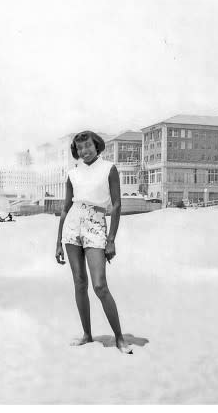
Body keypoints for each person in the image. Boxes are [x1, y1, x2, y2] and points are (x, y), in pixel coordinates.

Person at [55, 130, 132, 354]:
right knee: (79, 282)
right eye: (80, 148)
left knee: (100, 285)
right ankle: (87, 335)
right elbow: (65, 208)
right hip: (72, 225)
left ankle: (119, 338)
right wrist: (58, 242)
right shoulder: (72, 173)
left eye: (88, 146)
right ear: (76, 152)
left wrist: (111, 240)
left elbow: (117, 205)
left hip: (96, 223)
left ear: (96, 145)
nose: (84, 151)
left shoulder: (109, 169)